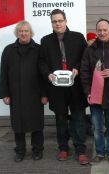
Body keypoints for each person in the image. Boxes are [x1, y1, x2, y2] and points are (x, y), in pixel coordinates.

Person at [39, 9, 89, 165]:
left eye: (60, 20)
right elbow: (41, 62)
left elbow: (85, 57)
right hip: (56, 87)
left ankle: (80, 150)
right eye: (54, 21)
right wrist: (47, 73)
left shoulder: (78, 37)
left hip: (75, 86)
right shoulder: (45, 40)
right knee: (60, 119)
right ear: (51, 23)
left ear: (66, 21)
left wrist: (78, 68)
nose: (57, 23)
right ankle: (63, 148)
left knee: (79, 118)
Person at [80, 18, 109, 167]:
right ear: (96, 32)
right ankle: (100, 152)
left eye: (105, 30)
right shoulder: (89, 51)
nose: (102, 32)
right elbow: (84, 73)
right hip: (94, 97)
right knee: (97, 127)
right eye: (99, 30)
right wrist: (87, 92)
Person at [0, 20, 48, 162]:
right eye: (21, 31)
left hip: (35, 94)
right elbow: (3, 73)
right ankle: (20, 151)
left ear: (30, 33)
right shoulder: (8, 50)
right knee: (18, 125)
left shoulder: (39, 49)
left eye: (26, 31)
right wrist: (5, 93)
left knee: (37, 124)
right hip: (16, 95)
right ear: (17, 33)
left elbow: (43, 74)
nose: (23, 33)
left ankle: (37, 150)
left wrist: (45, 94)